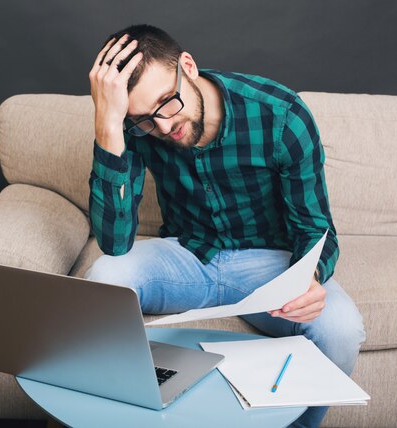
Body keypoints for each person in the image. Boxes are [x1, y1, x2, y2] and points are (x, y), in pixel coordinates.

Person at [86, 24, 365, 428]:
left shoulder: (280, 115)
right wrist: (108, 126)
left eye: (168, 103)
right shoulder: (132, 126)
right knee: (104, 275)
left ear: (188, 66)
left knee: (340, 327)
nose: (163, 127)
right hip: (187, 255)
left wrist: (310, 277)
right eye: (145, 119)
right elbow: (113, 242)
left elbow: (316, 228)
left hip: (271, 267)